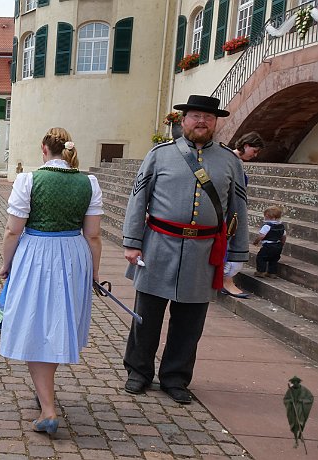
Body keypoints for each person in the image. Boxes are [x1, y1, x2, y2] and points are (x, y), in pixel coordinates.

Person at [121, 95, 249, 404]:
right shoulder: (159, 155)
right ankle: (138, 372)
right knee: (146, 317)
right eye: (195, 116)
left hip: (203, 252)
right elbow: (139, 199)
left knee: (190, 322)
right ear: (183, 120)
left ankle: (175, 378)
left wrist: (237, 254)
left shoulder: (230, 161)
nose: (201, 121)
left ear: (215, 122)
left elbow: (238, 209)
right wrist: (132, 242)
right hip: (158, 247)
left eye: (207, 117)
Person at [0, 128, 103, 434]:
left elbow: (13, 230)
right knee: (54, 325)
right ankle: (45, 394)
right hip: (73, 255)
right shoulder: (89, 182)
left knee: (35, 326)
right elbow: (93, 235)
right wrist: (93, 273)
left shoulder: (28, 180)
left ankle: (48, 409)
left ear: (43, 149)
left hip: (37, 255)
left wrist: (6, 264)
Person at [221, 132, 265, 298]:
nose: (255, 155)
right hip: (227, 212)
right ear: (246, 145)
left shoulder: (233, 160)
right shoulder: (230, 159)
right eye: (254, 150)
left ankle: (225, 280)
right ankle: (226, 281)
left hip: (232, 210)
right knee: (229, 245)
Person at [253, 205, 286, 278]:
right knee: (274, 259)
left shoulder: (267, 226)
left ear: (267, 216)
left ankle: (261, 271)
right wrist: (282, 244)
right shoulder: (281, 226)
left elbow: (261, 236)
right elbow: (283, 236)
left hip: (268, 245)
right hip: (278, 245)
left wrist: (256, 241)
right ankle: (272, 273)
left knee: (261, 257)